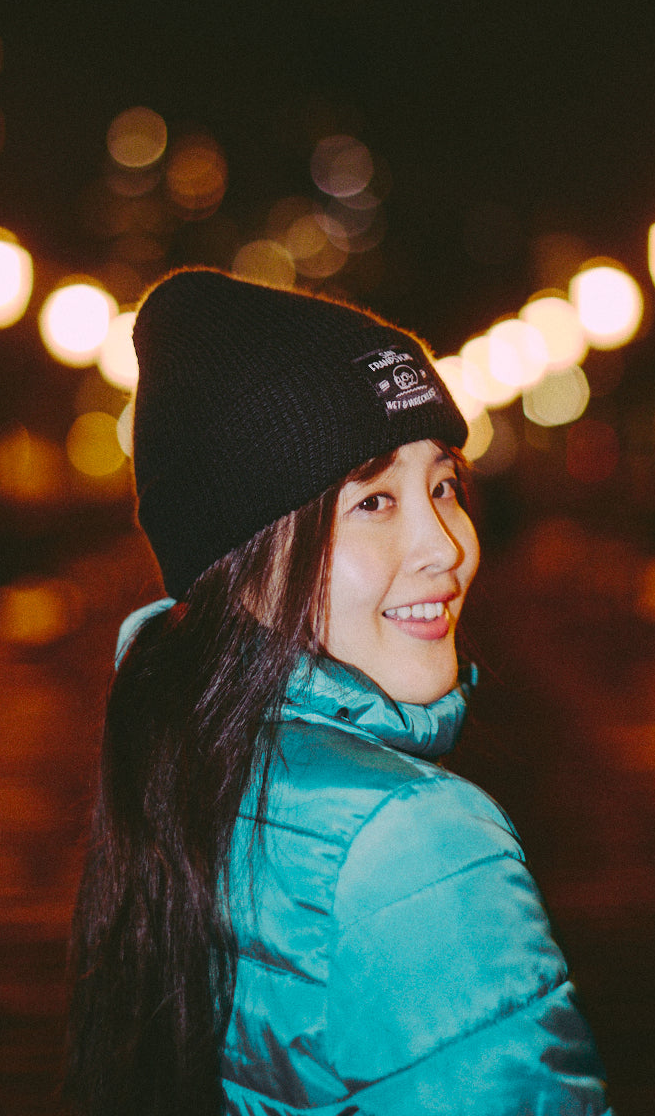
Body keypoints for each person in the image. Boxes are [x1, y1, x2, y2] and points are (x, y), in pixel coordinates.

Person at [65, 268, 613, 1116]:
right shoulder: (415, 846)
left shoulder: (185, 763)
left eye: (442, 487)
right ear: (242, 560)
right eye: (373, 501)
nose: (447, 546)